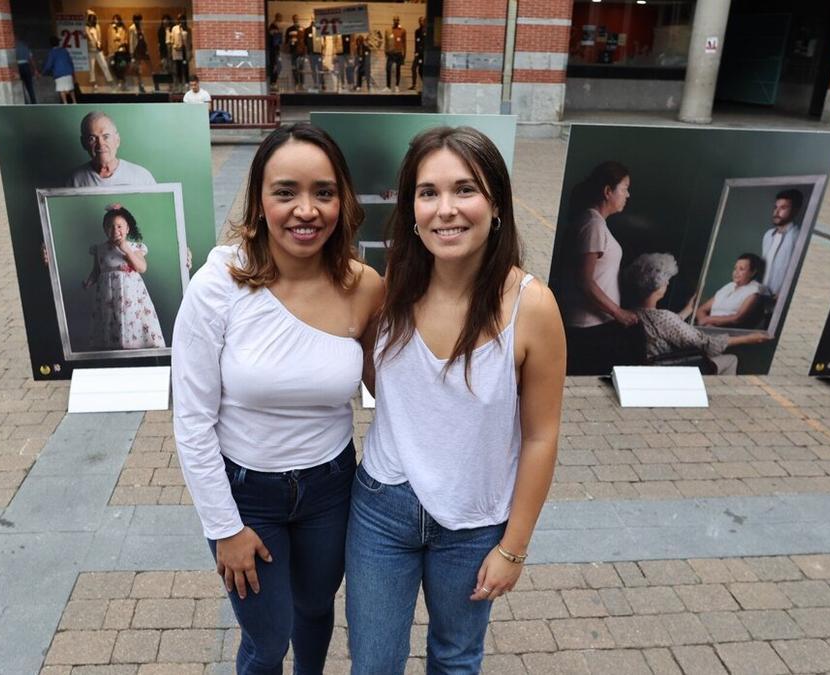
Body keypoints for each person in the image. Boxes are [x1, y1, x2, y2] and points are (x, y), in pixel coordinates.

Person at [345, 126, 566, 673]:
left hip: (474, 522)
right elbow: (384, 384)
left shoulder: (531, 307)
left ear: (496, 205)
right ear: (412, 209)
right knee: (373, 664)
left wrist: (513, 547)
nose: (446, 210)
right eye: (428, 193)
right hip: (382, 508)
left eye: (465, 189)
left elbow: (542, 435)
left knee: (456, 660)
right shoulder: (392, 285)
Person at [172, 122, 383, 675]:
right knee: (268, 639)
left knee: (315, 614)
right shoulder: (218, 285)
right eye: (285, 192)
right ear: (260, 200)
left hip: (332, 488)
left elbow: (394, 390)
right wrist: (224, 528)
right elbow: (192, 422)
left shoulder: (364, 286)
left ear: (343, 200)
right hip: (248, 498)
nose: (306, 210)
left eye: (324, 192)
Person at [553, 160, 636, 375]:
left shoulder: (593, 223)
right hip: (589, 329)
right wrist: (619, 313)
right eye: (625, 189)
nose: (628, 195)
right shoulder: (593, 225)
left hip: (594, 327)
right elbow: (585, 281)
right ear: (608, 191)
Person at [623, 253, 768, 375]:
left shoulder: (627, 314)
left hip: (641, 371)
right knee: (731, 360)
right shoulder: (665, 318)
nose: (667, 283)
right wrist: (747, 339)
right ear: (658, 286)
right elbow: (706, 344)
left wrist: (688, 309)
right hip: (667, 373)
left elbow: (661, 327)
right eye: (666, 280)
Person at [83, 204, 165, 351]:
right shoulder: (100, 249)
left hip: (130, 297)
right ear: (104, 229)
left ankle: (136, 351)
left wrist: (126, 250)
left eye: (120, 226)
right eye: (110, 226)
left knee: (132, 320)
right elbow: (97, 271)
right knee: (110, 321)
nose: (115, 230)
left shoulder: (134, 248)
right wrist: (89, 281)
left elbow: (141, 268)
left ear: (127, 229)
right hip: (108, 296)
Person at [68, 112, 155, 187]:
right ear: (84, 143)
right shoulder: (75, 180)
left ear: (117, 140)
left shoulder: (142, 177)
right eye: (92, 138)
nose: (100, 144)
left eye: (106, 136)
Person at [693, 253, 765, 329]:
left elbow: (737, 318)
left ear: (752, 272)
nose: (736, 272)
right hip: (708, 328)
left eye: (741, 269)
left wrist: (708, 319)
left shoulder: (753, 291)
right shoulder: (729, 286)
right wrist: (706, 325)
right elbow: (701, 310)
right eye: (735, 268)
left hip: (727, 332)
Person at [760, 189, 804, 298]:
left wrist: (785, 292)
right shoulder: (768, 235)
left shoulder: (799, 236)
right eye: (776, 207)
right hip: (760, 295)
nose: (776, 212)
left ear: (795, 210)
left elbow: (800, 270)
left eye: (783, 208)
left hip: (781, 297)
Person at [42, 36, 76, 104]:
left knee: (61, 90)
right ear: (58, 43)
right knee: (71, 89)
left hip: (59, 74)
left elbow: (48, 65)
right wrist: (72, 72)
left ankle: (65, 103)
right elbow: (70, 62)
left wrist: (43, 72)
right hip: (68, 72)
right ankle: (74, 102)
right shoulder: (64, 50)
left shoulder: (52, 52)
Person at [85, 11, 114, 89]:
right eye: (90, 18)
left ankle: (110, 80)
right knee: (92, 67)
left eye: (93, 18)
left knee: (104, 65)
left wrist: (99, 43)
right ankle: (93, 83)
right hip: (91, 50)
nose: (91, 20)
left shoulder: (97, 26)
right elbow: (89, 37)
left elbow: (99, 37)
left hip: (98, 50)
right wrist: (94, 42)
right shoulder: (86, 27)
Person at [128, 14, 150, 93]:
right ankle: (140, 85)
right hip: (136, 50)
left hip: (141, 49)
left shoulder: (141, 27)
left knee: (140, 68)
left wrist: (146, 49)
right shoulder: (132, 28)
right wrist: (131, 53)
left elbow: (143, 38)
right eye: (139, 20)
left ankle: (141, 85)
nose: (140, 21)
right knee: (138, 69)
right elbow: (131, 41)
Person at [384, 16, 406, 92]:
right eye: (394, 20)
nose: (396, 21)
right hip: (391, 53)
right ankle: (388, 86)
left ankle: (397, 86)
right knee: (387, 69)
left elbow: (404, 43)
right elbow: (386, 42)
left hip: (399, 53)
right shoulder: (389, 30)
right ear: (393, 20)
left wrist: (404, 54)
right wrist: (385, 51)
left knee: (398, 69)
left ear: (399, 21)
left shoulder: (402, 30)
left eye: (397, 20)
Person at [15, 38, 37, 104]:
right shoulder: (25, 46)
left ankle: (25, 102)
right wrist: (35, 69)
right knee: (30, 86)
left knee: (21, 86)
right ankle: (34, 103)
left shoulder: (13, 47)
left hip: (18, 67)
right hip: (26, 66)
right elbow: (31, 58)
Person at [285, 15, 305, 91]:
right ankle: (296, 84)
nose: (296, 19)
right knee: (294, 68)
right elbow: (286, 41)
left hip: (301, 51)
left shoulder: (302, 29)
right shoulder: (289, 29)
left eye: (297, 18)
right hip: (293, 51)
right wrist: (289, 43)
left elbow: (305, 41)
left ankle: (302, 84)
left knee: (301, 68)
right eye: (295, 18)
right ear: (292, 19)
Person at [409, 17, 426, 91]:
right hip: (418, 53)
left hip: (424, 54)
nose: (421, 22)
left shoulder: (427, 30)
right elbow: (417, 42)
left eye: (422, 21)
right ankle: (414, 84)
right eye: (420, 21)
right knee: (413, 68)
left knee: (421, 70)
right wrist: (416, 52)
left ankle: (425, 84)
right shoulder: (417, 31)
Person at [267, 14, 283, 89]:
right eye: (280, 17)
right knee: (275, 65)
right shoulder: (272, 26)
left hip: (276, 50)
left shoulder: (276, 27)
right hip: (273, 50)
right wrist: (277, 32)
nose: (281, 18)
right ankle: (272, 82)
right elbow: (273, 36)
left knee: (278, 66)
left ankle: (274, 81)